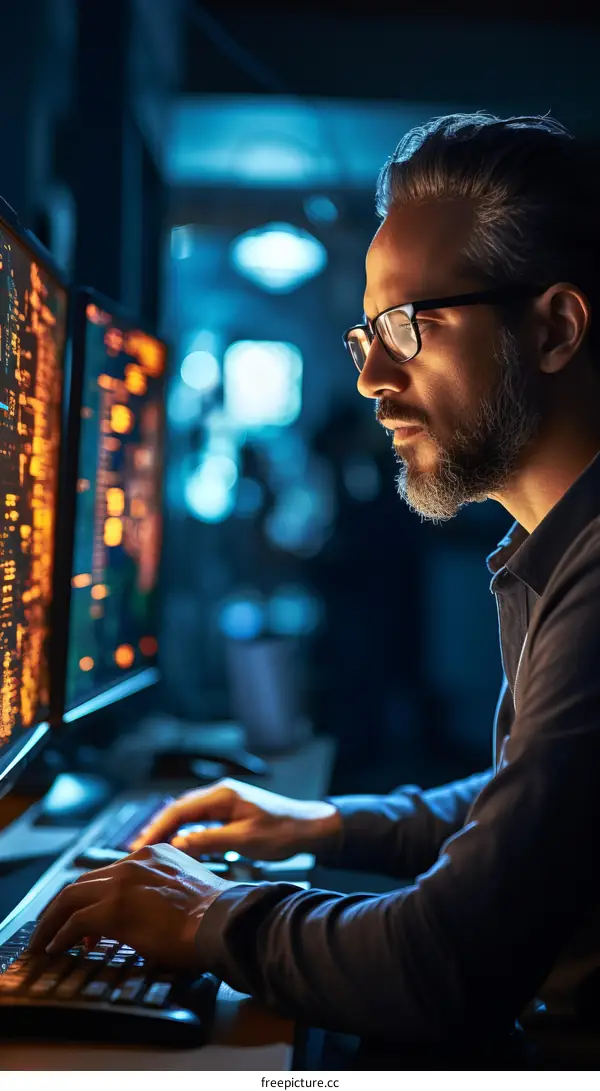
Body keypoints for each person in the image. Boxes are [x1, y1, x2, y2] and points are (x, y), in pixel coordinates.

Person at [31, 113, 600, 1067]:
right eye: (364, 334)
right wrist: (329, 822)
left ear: (554, 328)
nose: (374, 377)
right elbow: (533, 809)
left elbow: (450, 958)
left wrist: (216, 916)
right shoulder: (551, 546)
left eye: (409, 326)